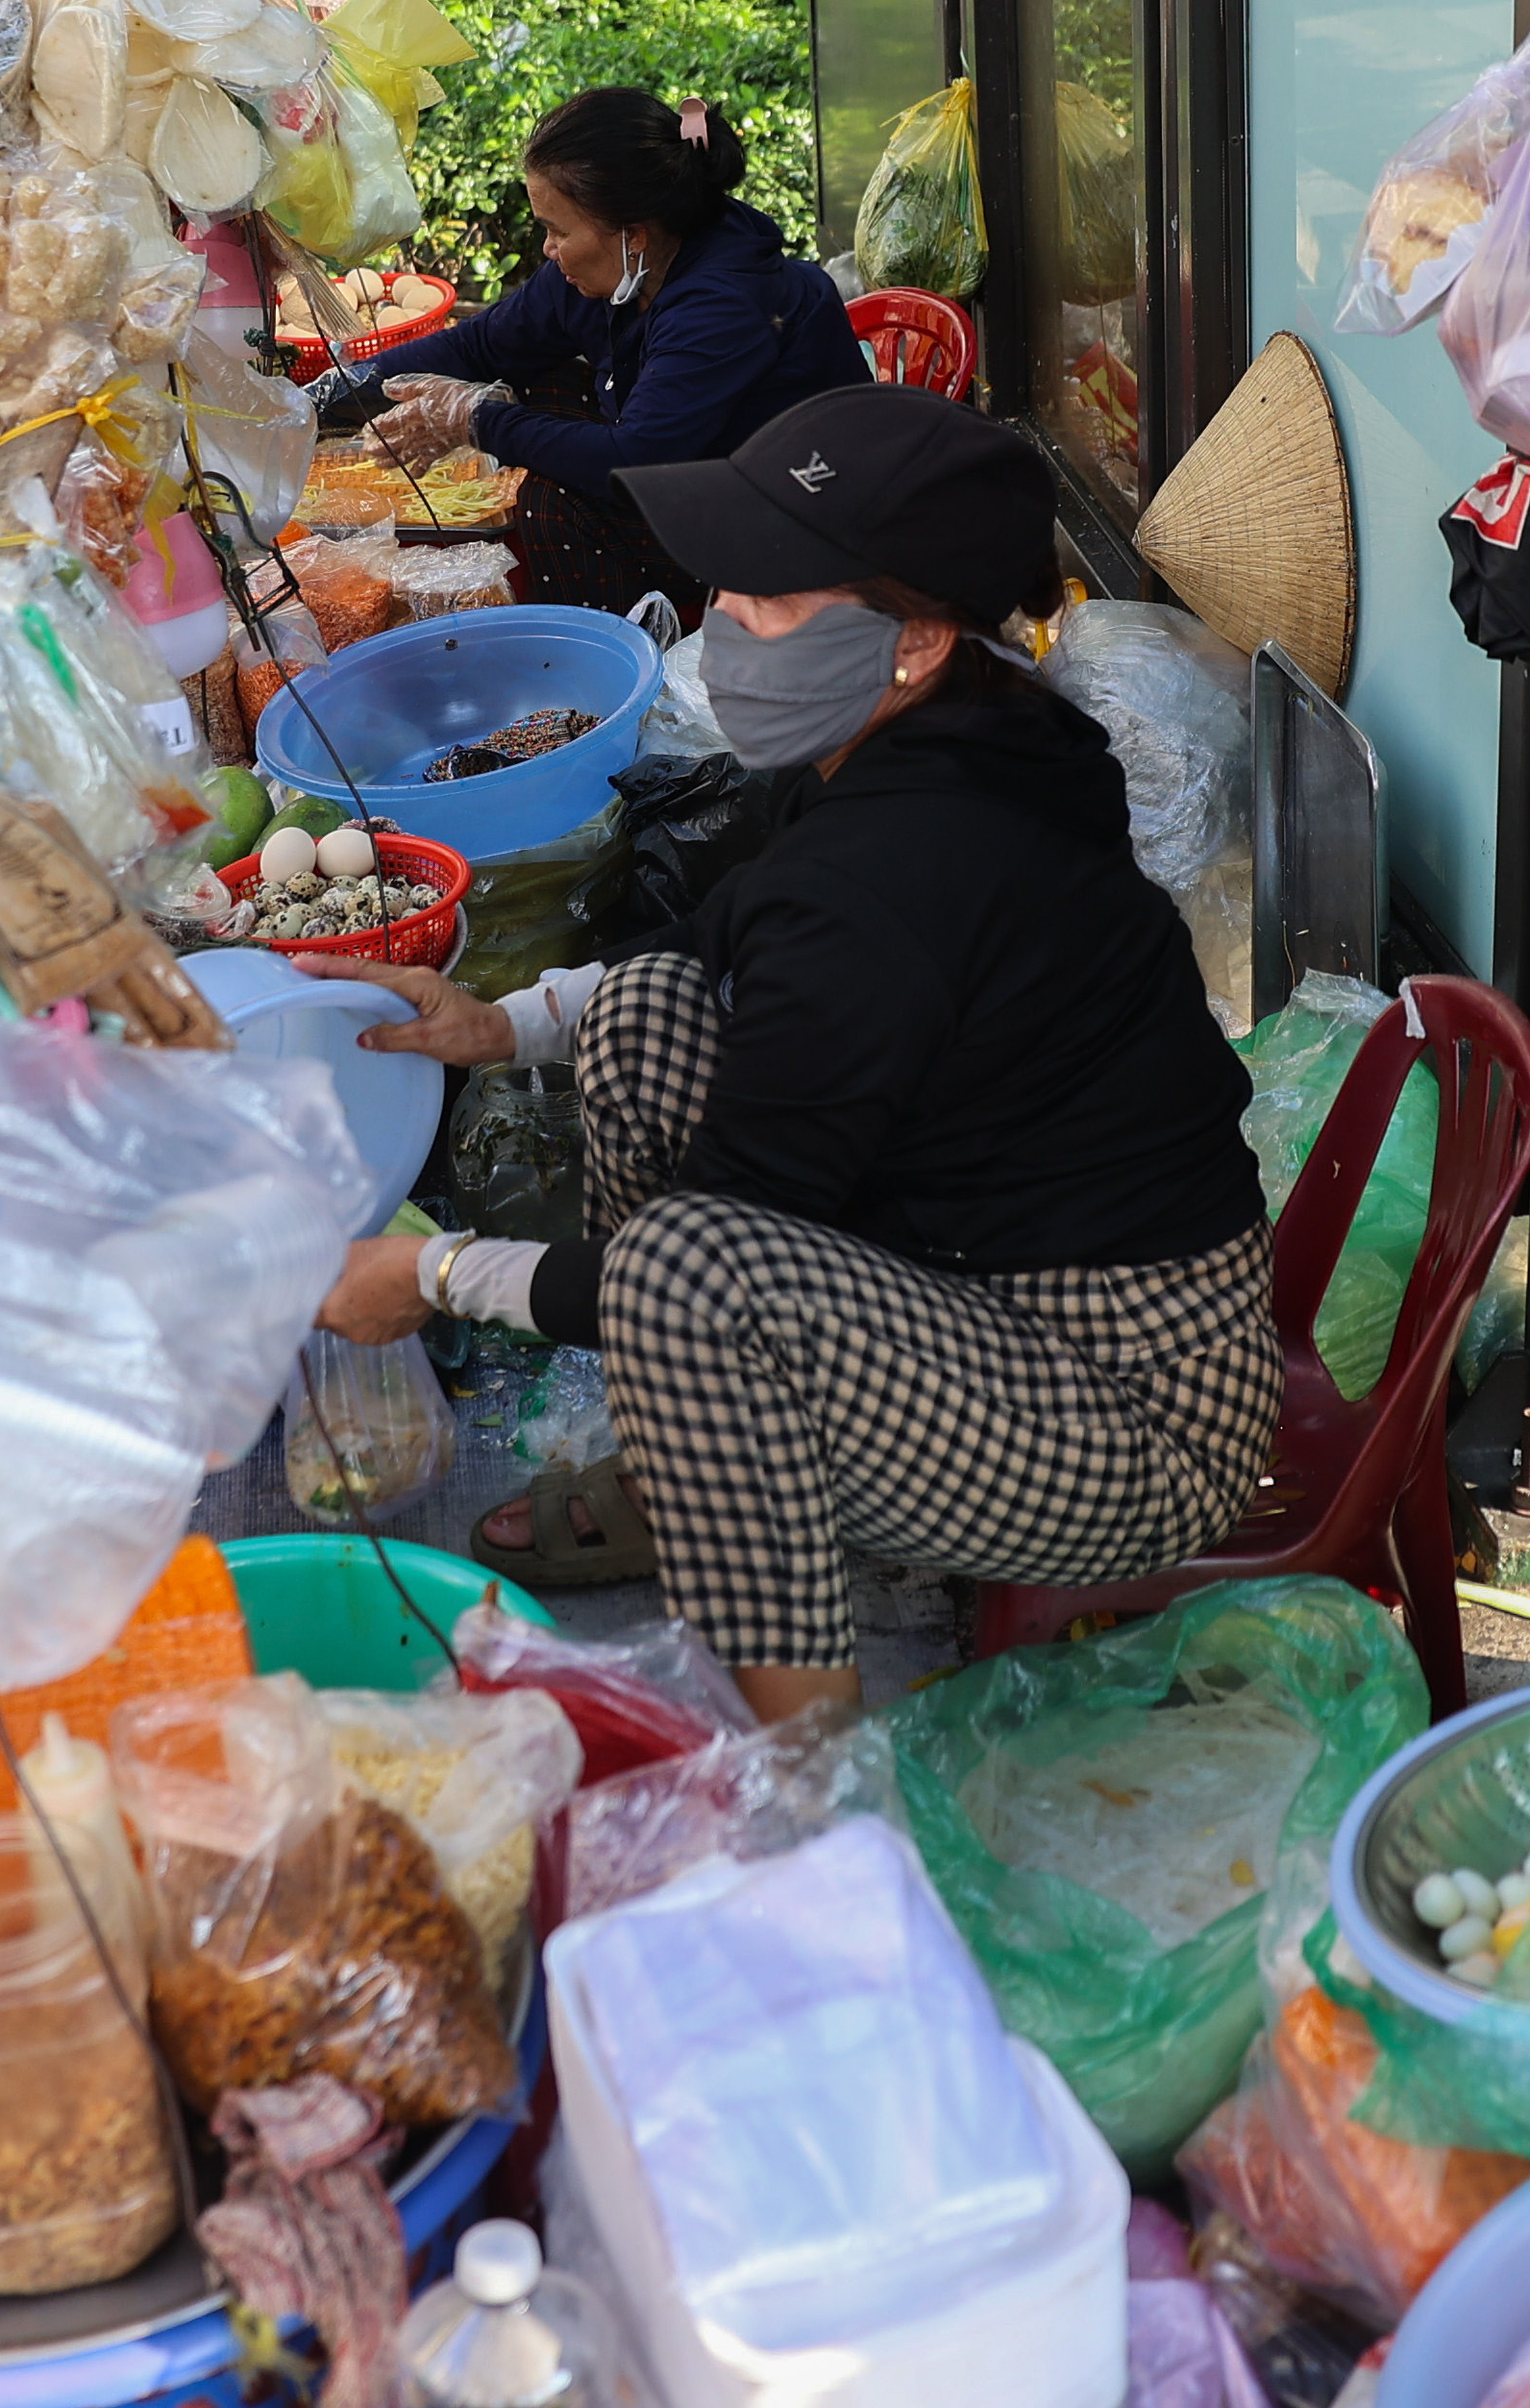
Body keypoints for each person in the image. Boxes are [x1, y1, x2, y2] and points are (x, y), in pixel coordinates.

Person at [303, 387, 1271, 1724]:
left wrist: (436, 1273)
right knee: (647, 1020)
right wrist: (500, 1026)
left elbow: (709, 1247)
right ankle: (685, 1471)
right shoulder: (948, 739)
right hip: (979, 1273)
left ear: (917, 639)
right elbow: (712, 951)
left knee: (691, 1281)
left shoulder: (902, 872)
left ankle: (797, 1776)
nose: (725, 630)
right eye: (730, 590)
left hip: (1128, 1419)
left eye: (769, 603)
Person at [314, 87, 869, 615]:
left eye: (557, 231)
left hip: (791, 520)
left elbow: (634, 458)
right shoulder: (610, 271)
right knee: (542, 384)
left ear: (633, 234)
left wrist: (476, 419)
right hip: (703, 469)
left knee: (552, 499)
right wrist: (338, 388)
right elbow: (482, 344)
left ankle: (623, 657)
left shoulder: (727, 301)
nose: (547, 250)